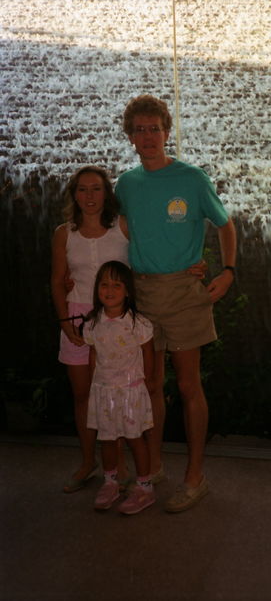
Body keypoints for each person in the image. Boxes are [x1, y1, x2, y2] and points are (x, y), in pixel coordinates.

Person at [116, 94, 237, 513]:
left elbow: (224, 224)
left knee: (188, 386)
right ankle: (153, 468)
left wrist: (227, 271)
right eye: (140, 130)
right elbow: (128, 232)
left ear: (167, 132)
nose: (148, 137)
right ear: (130, 136)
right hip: (144, 293)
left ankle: (195, 476)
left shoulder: (192, 178)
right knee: (150, 386)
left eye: (155, 128)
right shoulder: (126, 184)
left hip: (185, 297)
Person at [51, 166, 130, 493]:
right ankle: (88, 462)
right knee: (83, 395)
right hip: (77, 319)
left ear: (106, 193)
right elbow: (57, 281)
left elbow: (139, 271)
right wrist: (65, 322)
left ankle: (120, 466)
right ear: (74, 195)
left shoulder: (123, 228)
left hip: (115, 319)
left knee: (116, 395)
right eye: (82, 190)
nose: (89, 196)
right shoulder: (63, 233)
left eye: (96, 189)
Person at [82, 261, 155, 514]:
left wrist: (151, 380)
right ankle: (111, 482)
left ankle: (145, 486)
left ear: (127, 291)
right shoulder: (92, 323)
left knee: (135, 438)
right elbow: (93, 354)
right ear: (97, 289)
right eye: (104, 284)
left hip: (130, 390)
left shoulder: (137, 323)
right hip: (104, 390)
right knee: (108, 440)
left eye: (116, 285)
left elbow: (147, 350)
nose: (109, 290)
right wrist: (94, 381)